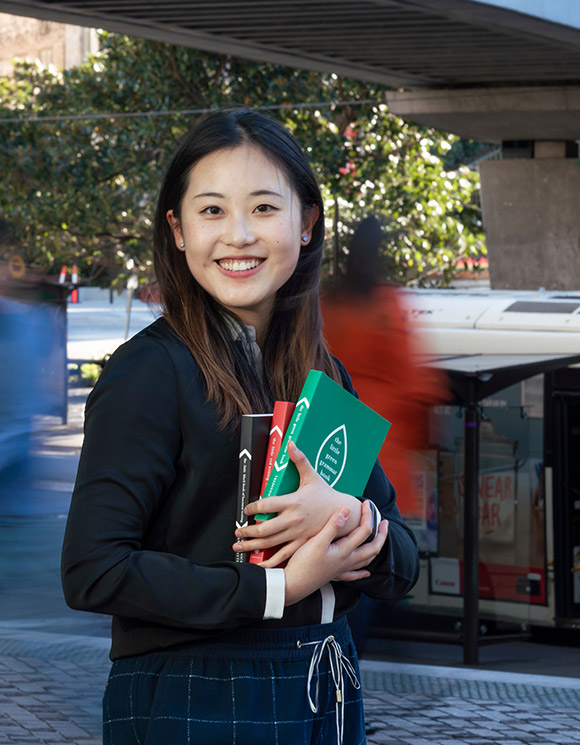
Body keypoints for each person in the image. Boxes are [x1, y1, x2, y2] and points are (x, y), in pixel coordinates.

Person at [61, 109, 419, 745]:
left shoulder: (325, 373)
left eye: (262, 208)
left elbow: (401, 563)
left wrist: (341, 515)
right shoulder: (148, 372)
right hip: (194, 692)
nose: (238, 235)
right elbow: (94, 570)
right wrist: (277, 588)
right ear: (176, 229)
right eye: (211, 211)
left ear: (305, 223)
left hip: (325, 683)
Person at [322, 216, 447, 651]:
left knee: (336, 567)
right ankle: (346, 681)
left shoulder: (328, 302)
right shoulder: (387, 305)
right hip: (382, 453)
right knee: (372, 562)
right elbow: (417, 384)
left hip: (330, 447)